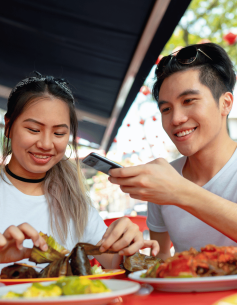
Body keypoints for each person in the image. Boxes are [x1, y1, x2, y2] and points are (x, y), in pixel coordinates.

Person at [108, 43, 237, 261]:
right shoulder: (164, 176)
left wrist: (181, 191)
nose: (176, 119)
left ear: (225, 103)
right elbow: (161, 259)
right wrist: (126, 249)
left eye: (189, 101)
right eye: (166, 109)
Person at [0, 72, 159, 270]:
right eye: (33, 130)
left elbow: (112, 260)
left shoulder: (73, 200)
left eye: (59, 133)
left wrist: (126, 243)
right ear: (8, 127)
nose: (46, 144)